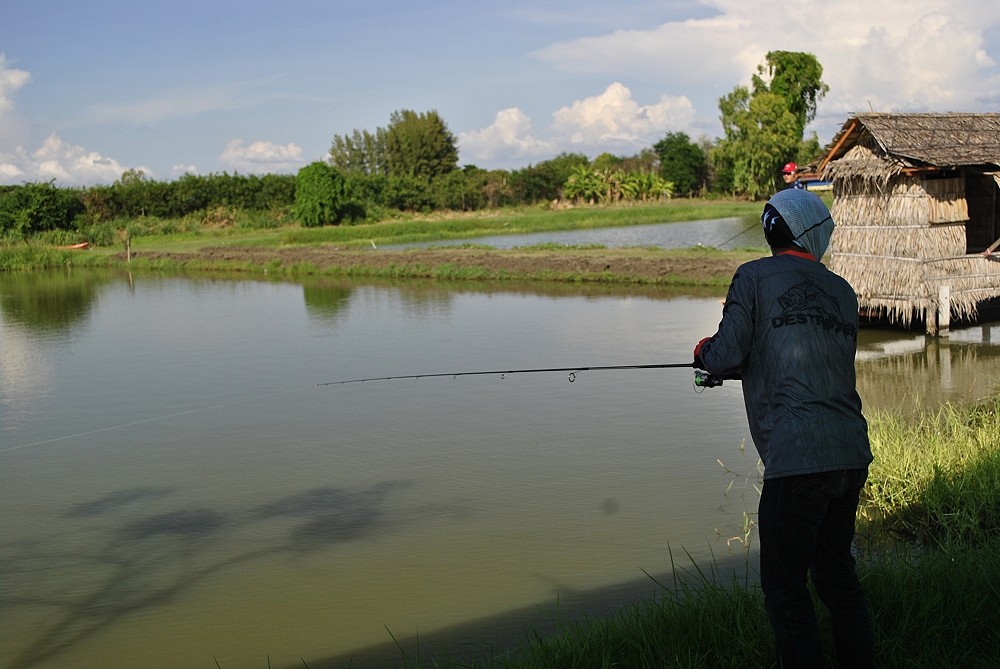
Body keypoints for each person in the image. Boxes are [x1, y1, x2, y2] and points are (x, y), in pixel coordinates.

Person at [693, 188, 875, 668]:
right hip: (851, 453)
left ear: (773, 230)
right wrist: (731, 363)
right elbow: (805, 362)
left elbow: (726, 353)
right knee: (837, 576)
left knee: (784, 587)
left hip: (796, 460)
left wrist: (704, 355)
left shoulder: (752, 276)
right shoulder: (843, 292)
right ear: (814, 237)